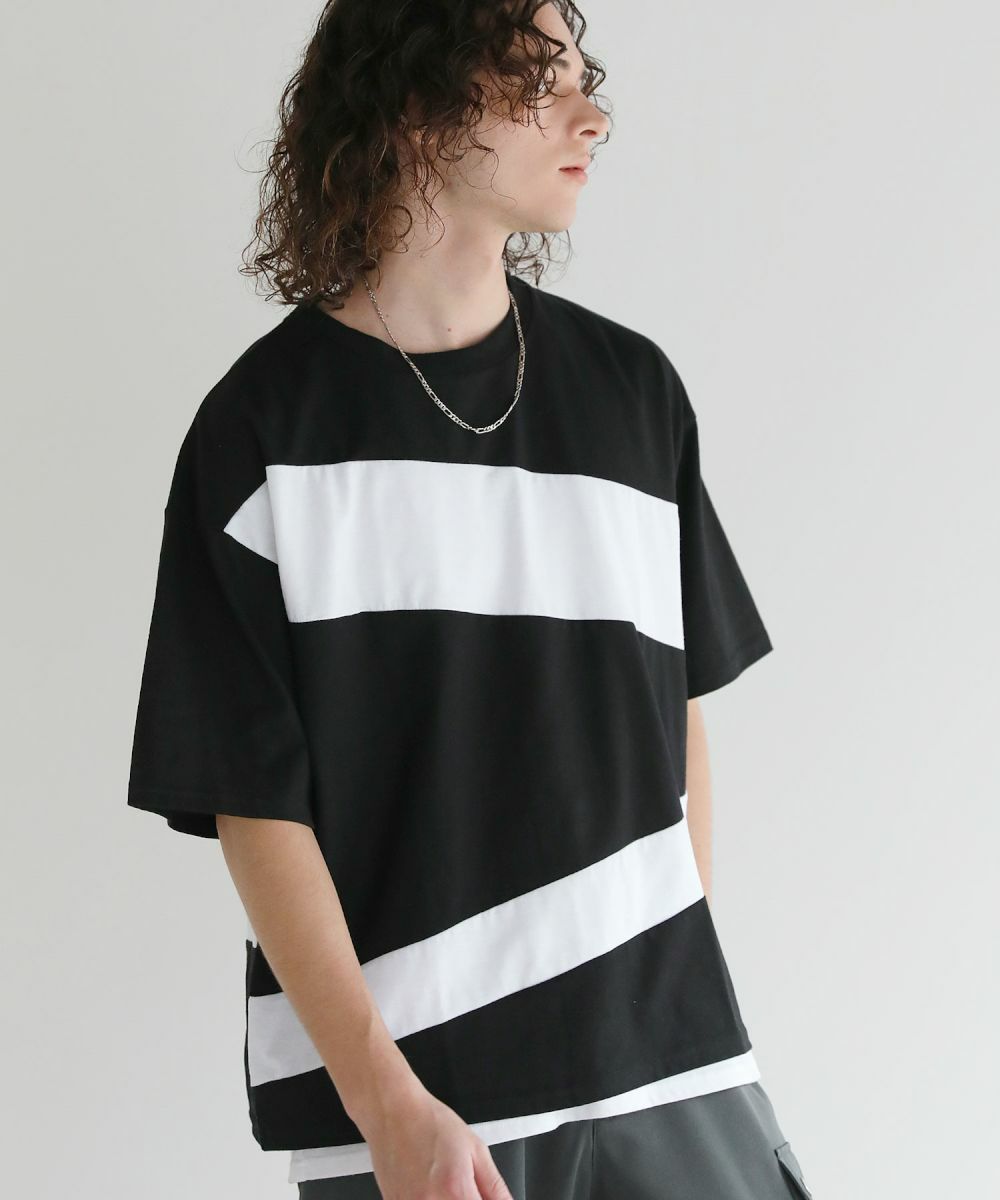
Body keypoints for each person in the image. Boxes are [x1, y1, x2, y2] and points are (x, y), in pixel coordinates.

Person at [126, 1, 815, 1197]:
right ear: (413, 103)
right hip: (422, 1123)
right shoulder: (261, 433)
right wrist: (386, 1103)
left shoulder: (632, 394)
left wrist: (658, 991)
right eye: (536, 80)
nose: (589, 116)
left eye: (583, 78)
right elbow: (253, 807)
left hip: (675, 1081)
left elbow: (678, 719)